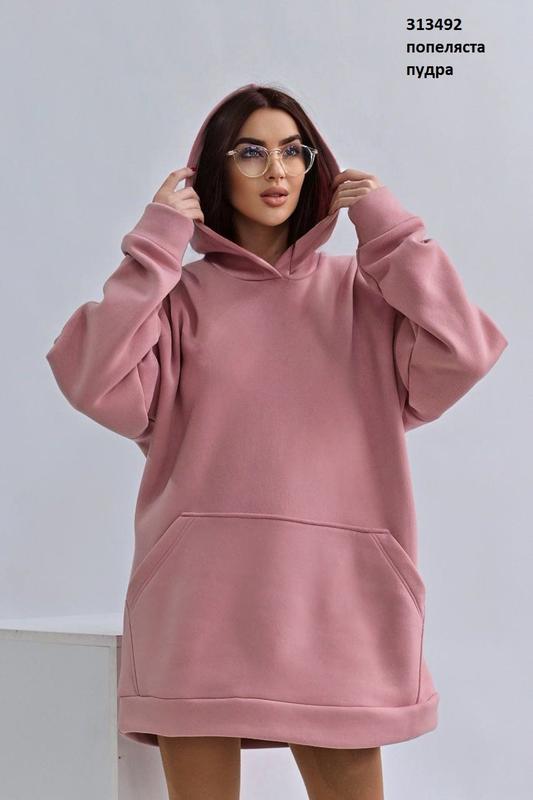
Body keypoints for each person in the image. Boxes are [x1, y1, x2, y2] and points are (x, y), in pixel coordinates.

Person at [45, 83, 508, 800]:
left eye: (294, 151)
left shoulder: (362, 295)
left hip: (337, 601)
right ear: (215, 170)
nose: (277, 170)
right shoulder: (178, 301)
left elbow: (465, 351)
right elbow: (90, 375)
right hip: (200, 605)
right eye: (251, 152)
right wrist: (157, 245)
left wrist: (392, 235)